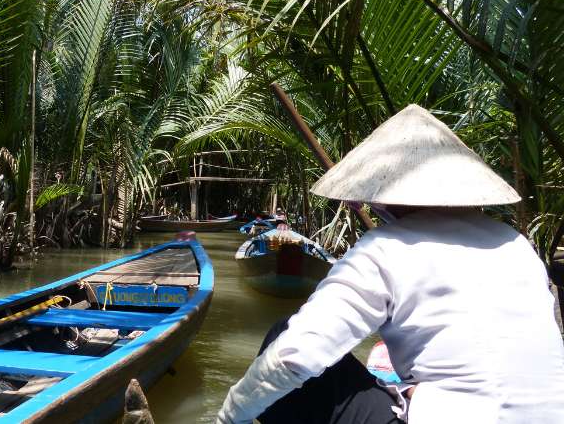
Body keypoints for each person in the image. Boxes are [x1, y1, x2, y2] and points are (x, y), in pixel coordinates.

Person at [217, 104, 564, 424]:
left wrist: (229, 417)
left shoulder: (385, 248)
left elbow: (294, 357)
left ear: (384, 198)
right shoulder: (516, 244)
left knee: (282, 337)